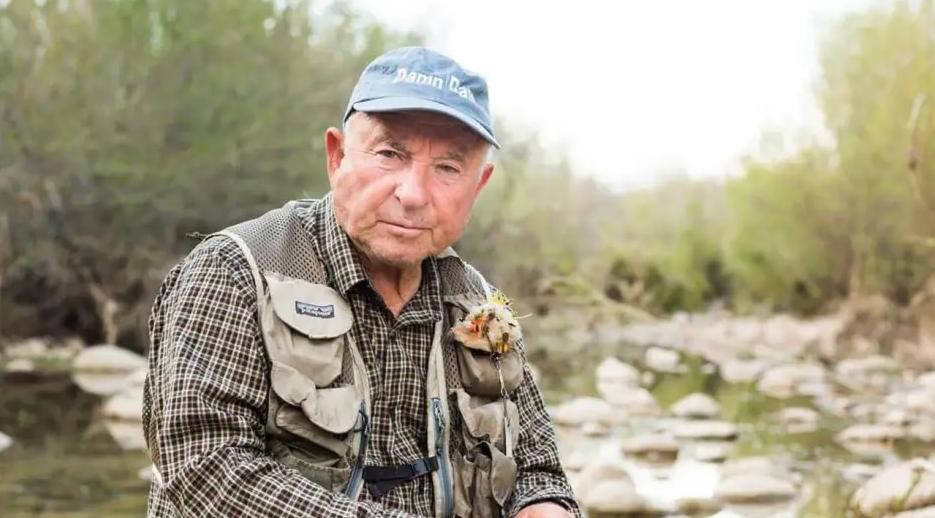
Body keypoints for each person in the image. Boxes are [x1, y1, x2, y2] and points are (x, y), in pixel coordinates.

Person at [143, 46, 579, 518]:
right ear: (337, 156)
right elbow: (203, 466)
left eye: (448, 169)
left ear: (479, 185)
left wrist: (546, 505)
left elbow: (538, 466)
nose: (412, 195)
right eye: (390, 154)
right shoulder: (234, 270)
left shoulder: (479, 304)